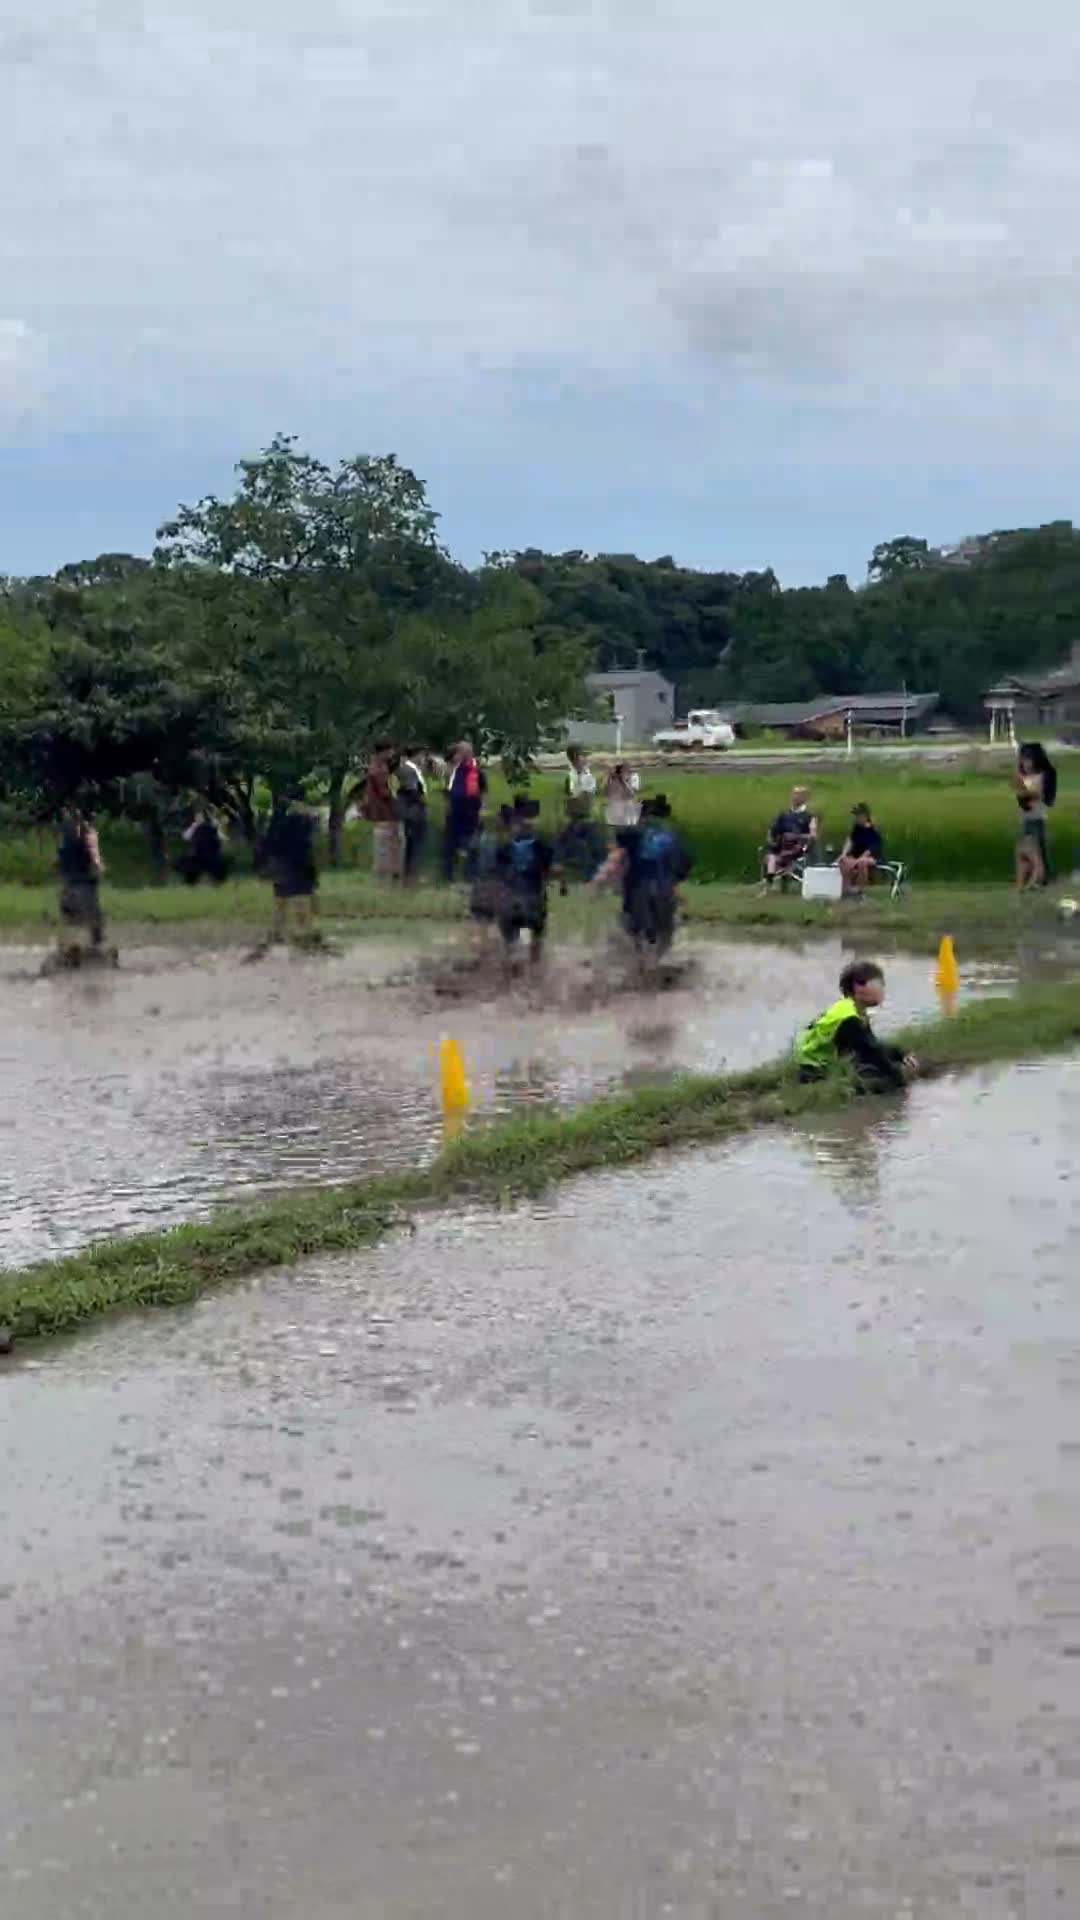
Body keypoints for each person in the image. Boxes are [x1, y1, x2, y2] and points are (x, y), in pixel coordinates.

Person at [795, 960, 918, 1092]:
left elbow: (873, 1044)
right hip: (814, 1071)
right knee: (884, 1082)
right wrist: (900, 1080)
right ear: (859, 986)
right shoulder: (849, 1019)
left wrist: (900, 1055)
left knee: (880, 1071)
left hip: (826, 1063)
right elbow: (871, 1053)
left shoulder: (854, 1010)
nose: (883, 991)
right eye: (880, 985)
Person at [594, 794, 693, 958]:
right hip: (664, 891)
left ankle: (641, 969)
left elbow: (617, 857)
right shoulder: (671, 836)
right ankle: (658, 964)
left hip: (638, 891)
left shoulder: (632, 835)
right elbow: (683, 866)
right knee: (664, 935)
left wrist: (600, 880)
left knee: (634, 933)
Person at [495, 795, 554, 967]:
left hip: (518, 900)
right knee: (533, 936)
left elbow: (498, 875)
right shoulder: (541, 847)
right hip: (529, 899)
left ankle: (517, 961)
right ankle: (529, 964)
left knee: (515, 937)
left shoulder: (504, 849)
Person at [258, 790, 320, 942]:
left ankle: (276, 932)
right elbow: (306, 839)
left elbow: (267, 842)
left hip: (281, 863)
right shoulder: (300, 820)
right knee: (300, 898)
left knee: (281, 899)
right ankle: (305, 932)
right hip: (295, 864)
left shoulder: (278, 817)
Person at [56, 805, 107, 962]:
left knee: (70, 918)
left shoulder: (64, 832)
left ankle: (68, 950)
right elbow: (95, 858)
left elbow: (57, 859)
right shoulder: (89, 832)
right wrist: (99, 867)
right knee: (93, 921)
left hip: (67, 884)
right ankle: (90, 951)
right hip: (84, 885)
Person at [1013, 742, 1057, 890]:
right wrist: (1029, 794)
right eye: (1022, 759)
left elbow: (1042, 800)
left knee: (1034, 853)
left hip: (1036, 819)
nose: (1024, 763)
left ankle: (1036, 881)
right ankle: (1030, 882)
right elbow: (1024, 800)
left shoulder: (1043, 776)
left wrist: (1030, 795)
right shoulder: (1022, 777)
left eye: (1027, 759)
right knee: (1027, 853)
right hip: (1027, 819)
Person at [443, 739, 485, 882]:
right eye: (460, 751)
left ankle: (470, 876)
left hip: (471, 813)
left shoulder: (476, 770)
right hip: (454, 812)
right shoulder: (453, 769)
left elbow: (483, 790)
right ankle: (448, 876)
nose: (462, 754)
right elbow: (446, 789)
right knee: (450, 845)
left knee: (471, 846)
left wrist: (482, 808)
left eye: (465, 751)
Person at [361, 740, 402, 880]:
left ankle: (389, 873)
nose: (392, 753)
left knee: (388, 844)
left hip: (384, 812)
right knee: (384, 845)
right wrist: (396, 798)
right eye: (390, 750)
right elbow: (385, 792)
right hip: (382, 812)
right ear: (383, 752)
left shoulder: (381, 766)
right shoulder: (378, 769)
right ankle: (382, 875)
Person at [762, 786, 818, 888]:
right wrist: (770, 839)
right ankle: (769, 880)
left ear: (805, 798)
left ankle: (771, 880)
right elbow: (772, 829)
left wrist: (797, 836)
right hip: (782, 845)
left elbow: (813, 836)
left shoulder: (810, 816)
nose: (795, 797)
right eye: (794, 794)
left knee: (782, 854)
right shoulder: (783, 814)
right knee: (771, 856)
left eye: (799, 795)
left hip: (798, 847)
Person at [394, 746, 428, 884]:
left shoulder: (414, 770)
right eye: (423, 755)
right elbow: (410, 791)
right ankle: (409, 875)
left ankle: (411, 874)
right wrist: (422, 801)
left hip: (413, 811)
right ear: (417, 755)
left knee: (414, 845)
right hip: (412, 812)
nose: (424, 759)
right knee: (412, 845)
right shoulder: (408, 770)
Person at [838, 802, 884, 895]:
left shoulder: (873, 829)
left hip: (871, 857)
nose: (856, 818)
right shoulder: (856, 828)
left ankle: (860, 889)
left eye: (858, 815)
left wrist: (862, 857)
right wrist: (843, 854)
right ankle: (845, 889)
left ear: (865, 815)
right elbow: (850, 841)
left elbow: (874, 847)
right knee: (843, 861)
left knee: (862, 863)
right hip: (856, 856)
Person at [177, 807, 230, 886]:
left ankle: (192, 882)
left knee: (185, 860)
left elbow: (185, 837)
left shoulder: (196, 827)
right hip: (210, 856)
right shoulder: (211, 828)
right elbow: (222, 838)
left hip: (200, 856)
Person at [604, 762, 641, 828]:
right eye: (624, 772)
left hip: (626, 811)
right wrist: (608, 778)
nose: (627, 773)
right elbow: (607, 793)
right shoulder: (612, 782)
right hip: (614, 811)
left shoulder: (629, 781)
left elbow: (631, 794)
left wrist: (623, 782)